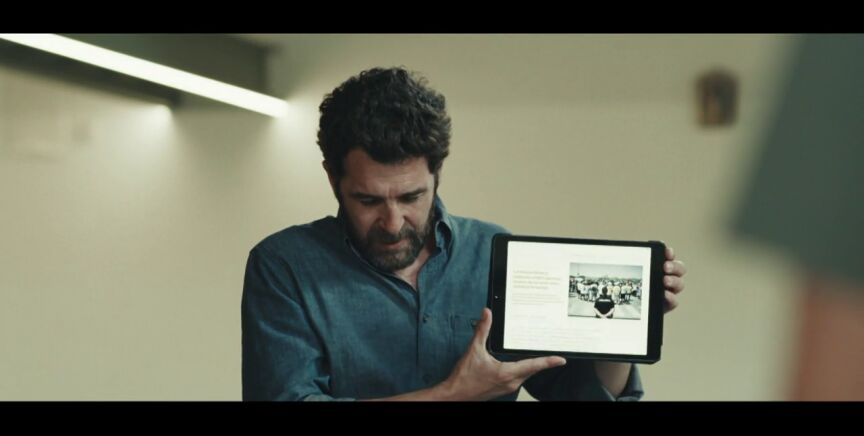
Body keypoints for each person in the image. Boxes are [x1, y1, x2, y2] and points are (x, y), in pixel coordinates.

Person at [241, 66, 687, 401]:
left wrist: (623, 328)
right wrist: (453, 394)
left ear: (437, 174)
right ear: (331, 177)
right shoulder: (285, 266)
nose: (393, 223)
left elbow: (583, 396)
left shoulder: (493, 255)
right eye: (368, 200)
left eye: (411, 197)